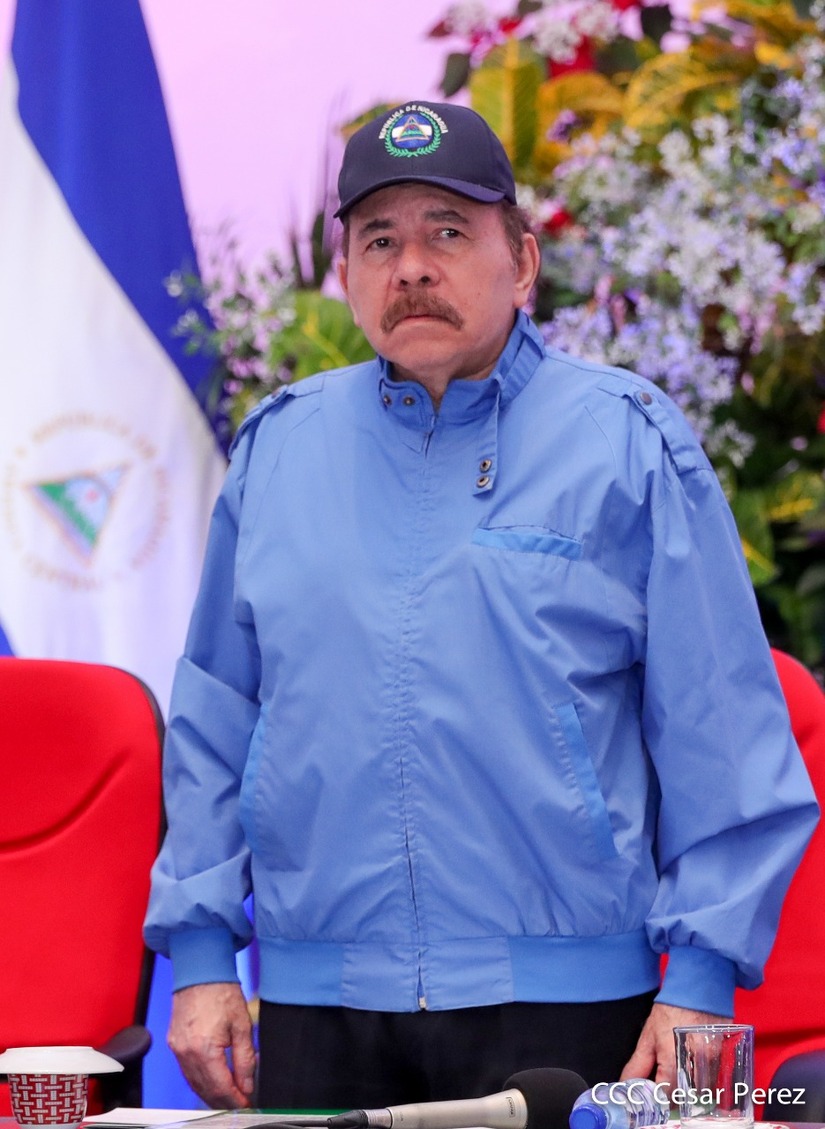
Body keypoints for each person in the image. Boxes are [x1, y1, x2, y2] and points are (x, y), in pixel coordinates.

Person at [143, 101, 818, 1111]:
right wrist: (201, 956)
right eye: (380, 240)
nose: (411, 267)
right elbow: (214, 721)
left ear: (524, 262)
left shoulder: (627, 441)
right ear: (347, 272)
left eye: (449, 232)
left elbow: (718, 727)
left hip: (571, 1008)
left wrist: (702, 980)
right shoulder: (278, 451)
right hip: (317, 1006)